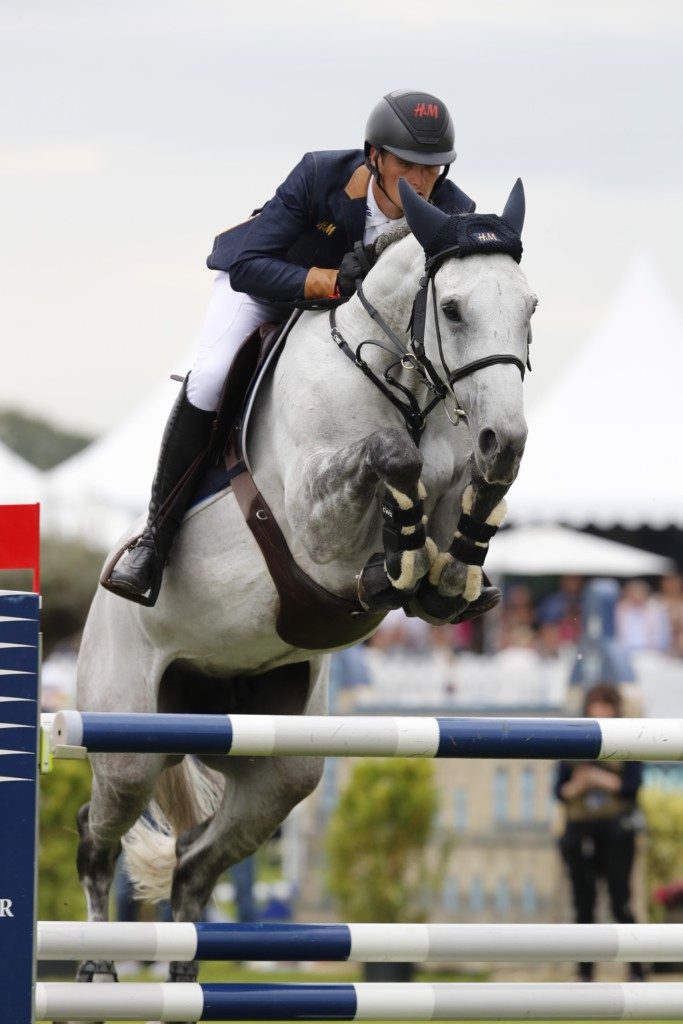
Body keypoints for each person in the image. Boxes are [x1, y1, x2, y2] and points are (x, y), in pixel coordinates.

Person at [105, 90, 474, 604]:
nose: (421, 182)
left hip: (353, 322)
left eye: (433, 169)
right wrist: (327, 281)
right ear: (375, 157)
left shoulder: (453, 213)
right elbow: (250, 263)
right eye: (408, 166)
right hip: (268, 291)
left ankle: (441, 561)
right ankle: (154, 542)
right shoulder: (320, 175)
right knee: (210, 376)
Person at [555, 683, 646, 983]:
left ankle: (635, 971)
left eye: (607, 705)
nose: (601, 711)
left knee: (621, 901)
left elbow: (632, 787)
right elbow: (560, 790)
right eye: (596, 705)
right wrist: (582, 784)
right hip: (580, 830)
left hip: (616, 830)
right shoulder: (572, 740)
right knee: (584, 905)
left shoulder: (629, 739)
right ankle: (585, 974)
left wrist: (597, 777)